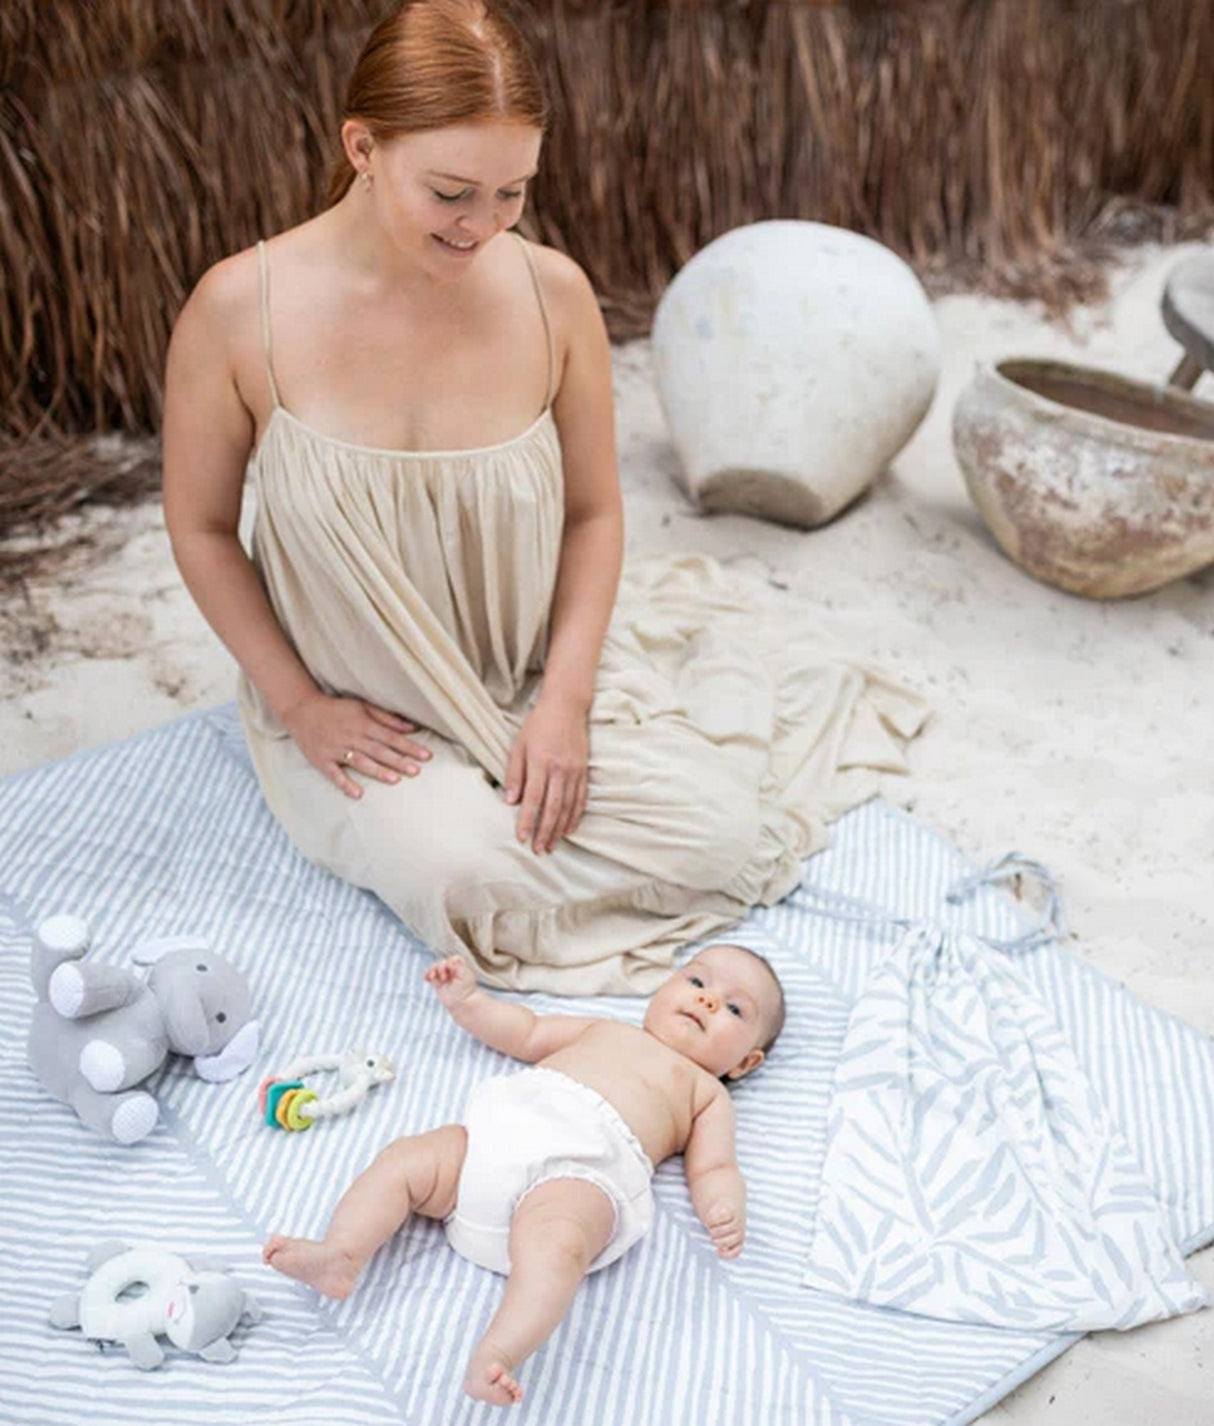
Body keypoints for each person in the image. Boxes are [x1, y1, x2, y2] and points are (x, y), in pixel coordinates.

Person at [163, 0, 925, 999]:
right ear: (362, 146)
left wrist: (562, 704)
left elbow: (594, 516)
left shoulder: (551, 295)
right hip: (361, 710)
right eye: (449, 192)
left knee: (722, 833)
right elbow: (203, 528)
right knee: (463, 876)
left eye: (511, 192)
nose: (482, 226)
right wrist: (301, 706)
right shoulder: (238, 309)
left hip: (528, 673)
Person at [264, 940, 785, 1406]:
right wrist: (468, 1004)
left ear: (745, 1063)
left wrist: (724, 1206)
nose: (708, 1000)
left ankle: (497, 1353)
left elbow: (715, 1165)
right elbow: (526, 1031)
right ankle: (343, 1253)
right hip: (493, 1143)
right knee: (406, 1158)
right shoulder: (603, 1029)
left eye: (735, 1009)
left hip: (580, 1171)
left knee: (560, 1247)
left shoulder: (706, 1092)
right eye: (696, 980)